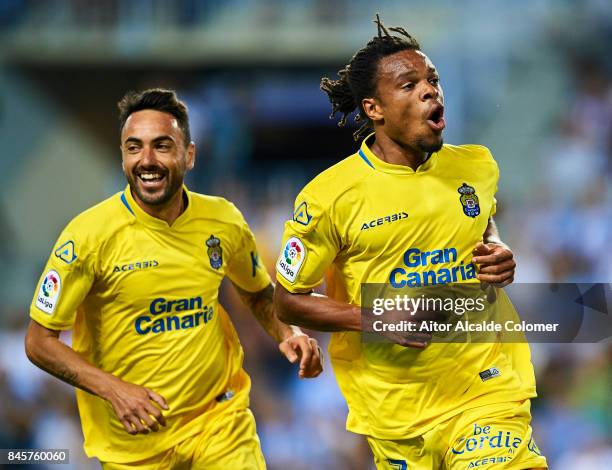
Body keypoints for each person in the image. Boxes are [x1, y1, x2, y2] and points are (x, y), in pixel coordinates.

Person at [274, 16, 548, 470]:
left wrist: (497, 250)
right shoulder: (329, 197)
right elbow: (288, 301)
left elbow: (482, 224)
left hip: (485, 385)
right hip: (393, 410)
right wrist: (375, 318)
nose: (429, 91)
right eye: (409, 84)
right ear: (373, 109)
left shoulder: (475, 165)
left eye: (433, 80)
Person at [25, 88, 322, 469]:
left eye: (162, 146)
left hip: (219, 422)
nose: (146, 160)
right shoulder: (87, 237)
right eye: (134, 148)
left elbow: (259, 294)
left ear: (190, 155)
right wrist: (114, 390)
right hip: (135, 442)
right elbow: (38, 341)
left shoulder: (223, 219)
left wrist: (289, 333)